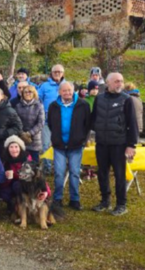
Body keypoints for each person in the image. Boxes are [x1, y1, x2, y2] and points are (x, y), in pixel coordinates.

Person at [91, 73, 139, 216]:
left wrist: (131, 145)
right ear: (108, 83)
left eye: (121, 81)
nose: (120, 84)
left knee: (119, 175)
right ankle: (105, 201)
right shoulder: (98, 99)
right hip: (101, 143)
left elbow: (132, 123)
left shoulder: (127, 100)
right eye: (117, 81)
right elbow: (93, 119)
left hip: (119, 144)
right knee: (102, 173)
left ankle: (121, 204)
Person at [47, 81, 90, 210]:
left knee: (75, 173)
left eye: (69, 90)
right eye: (64, 90)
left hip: (76, 145)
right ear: (59, 92)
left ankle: (74, 199)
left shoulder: (83, 105)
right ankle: (57, 198)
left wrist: (83, 140)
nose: (67, 93)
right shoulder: (53, 106)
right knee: (59, 173)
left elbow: (87, 124)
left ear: (74, 91)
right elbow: (50, 124)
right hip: (59, 145)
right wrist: (55, 137)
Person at [38, 64, 65, 174]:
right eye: (55, 71)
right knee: (46, 145)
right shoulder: (44, 86)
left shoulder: (67, 85)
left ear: (63, 73)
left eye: (59, 71)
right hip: (47, 120)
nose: (57, 73)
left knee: (62, 144)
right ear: (51, 73)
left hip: (63, 120)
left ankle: (60, 168)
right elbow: (38, 100)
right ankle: (47, 168)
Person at [0, 135, 32, 217]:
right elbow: (0, 182)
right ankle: (12, 206)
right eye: (11, 147)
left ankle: (24, 206)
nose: (14, 150)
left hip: (24, 184)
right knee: (4, 192)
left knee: (17, 185)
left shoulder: (26, 158)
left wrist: (45, 191)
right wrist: (7, 177)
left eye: (16, 147)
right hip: (9, 184)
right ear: (7, 149)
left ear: (20, 148)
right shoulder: (4, 160)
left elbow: (35, 177)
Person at [13, 85, 45, 162]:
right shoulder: (18, 106)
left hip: (34, 138)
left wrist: (29, 133)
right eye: (25, 92)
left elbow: (41, 123)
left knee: (34, 162)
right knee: (21, 161)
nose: (28, 94)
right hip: (21, 137)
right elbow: (15, 121)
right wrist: (21, 133)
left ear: (34, 93)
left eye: (30, 92)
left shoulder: (39, 106)